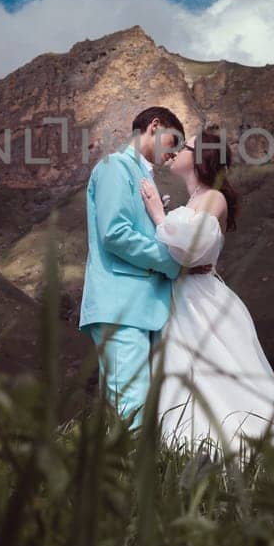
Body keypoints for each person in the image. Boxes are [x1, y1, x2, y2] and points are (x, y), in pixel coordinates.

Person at [139, 125, 274, 455]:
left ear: (201, 158)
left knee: (222, 378)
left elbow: (192, 244)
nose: (176, 151)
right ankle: (188, 453)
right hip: (181, 299)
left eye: (186, 147)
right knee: (184, 379)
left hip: (201, 300)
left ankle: (247, 451)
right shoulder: (193, 200)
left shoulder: (214, 198)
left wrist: (160, 217)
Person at [81, 105, 210, 427]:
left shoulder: (142, 177)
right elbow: (115, 233)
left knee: (147, 408)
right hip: (120, 303)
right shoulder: (115, 167)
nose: (174, 154)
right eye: (173, 143)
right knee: (131, 407)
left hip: (144, 306)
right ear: (155, 126)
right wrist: (172, 263)